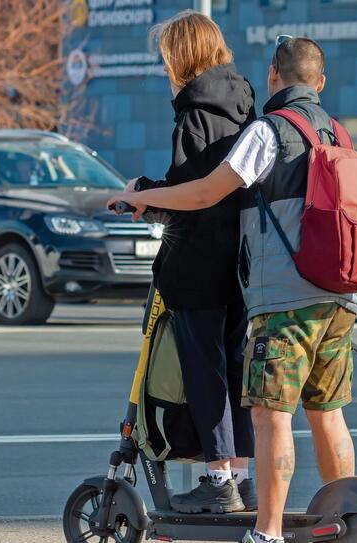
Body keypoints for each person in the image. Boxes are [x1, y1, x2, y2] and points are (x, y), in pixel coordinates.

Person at [109, 36, 357, 543]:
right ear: (322, 83)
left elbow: (206, 192)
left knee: (270, 416)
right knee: (328, 415)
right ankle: (349, 516)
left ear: (273, 75)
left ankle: (265, 534)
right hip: (338, 295)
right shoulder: (337, 134)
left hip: (285, 298)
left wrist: (145, 196)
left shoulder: (269, 131)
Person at [128, 10, 257, 514]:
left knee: (205, 374)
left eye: (167, 58)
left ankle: (217, 480)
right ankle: (242, 479)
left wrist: (141, 195)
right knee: (235, 371)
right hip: (242, 264)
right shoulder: (245, 106)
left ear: (183, 55)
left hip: (198, 263)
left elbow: (193, 193)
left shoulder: (194, 113)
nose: (165, 68)